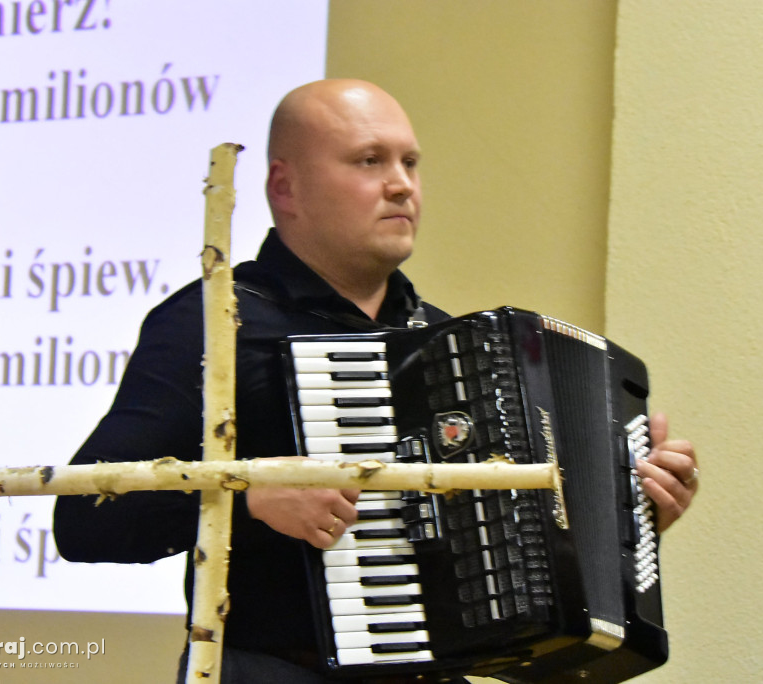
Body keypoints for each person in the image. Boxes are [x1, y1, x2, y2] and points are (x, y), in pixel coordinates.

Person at [53, 79, 700, 684]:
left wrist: (626, 521)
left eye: (409, 163)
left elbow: (514, 556)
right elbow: (84, 520)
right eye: (369, 161)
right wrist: (246, 498)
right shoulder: (213, 322)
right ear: (286, 187)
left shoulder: (448, 343)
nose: (401, 185)